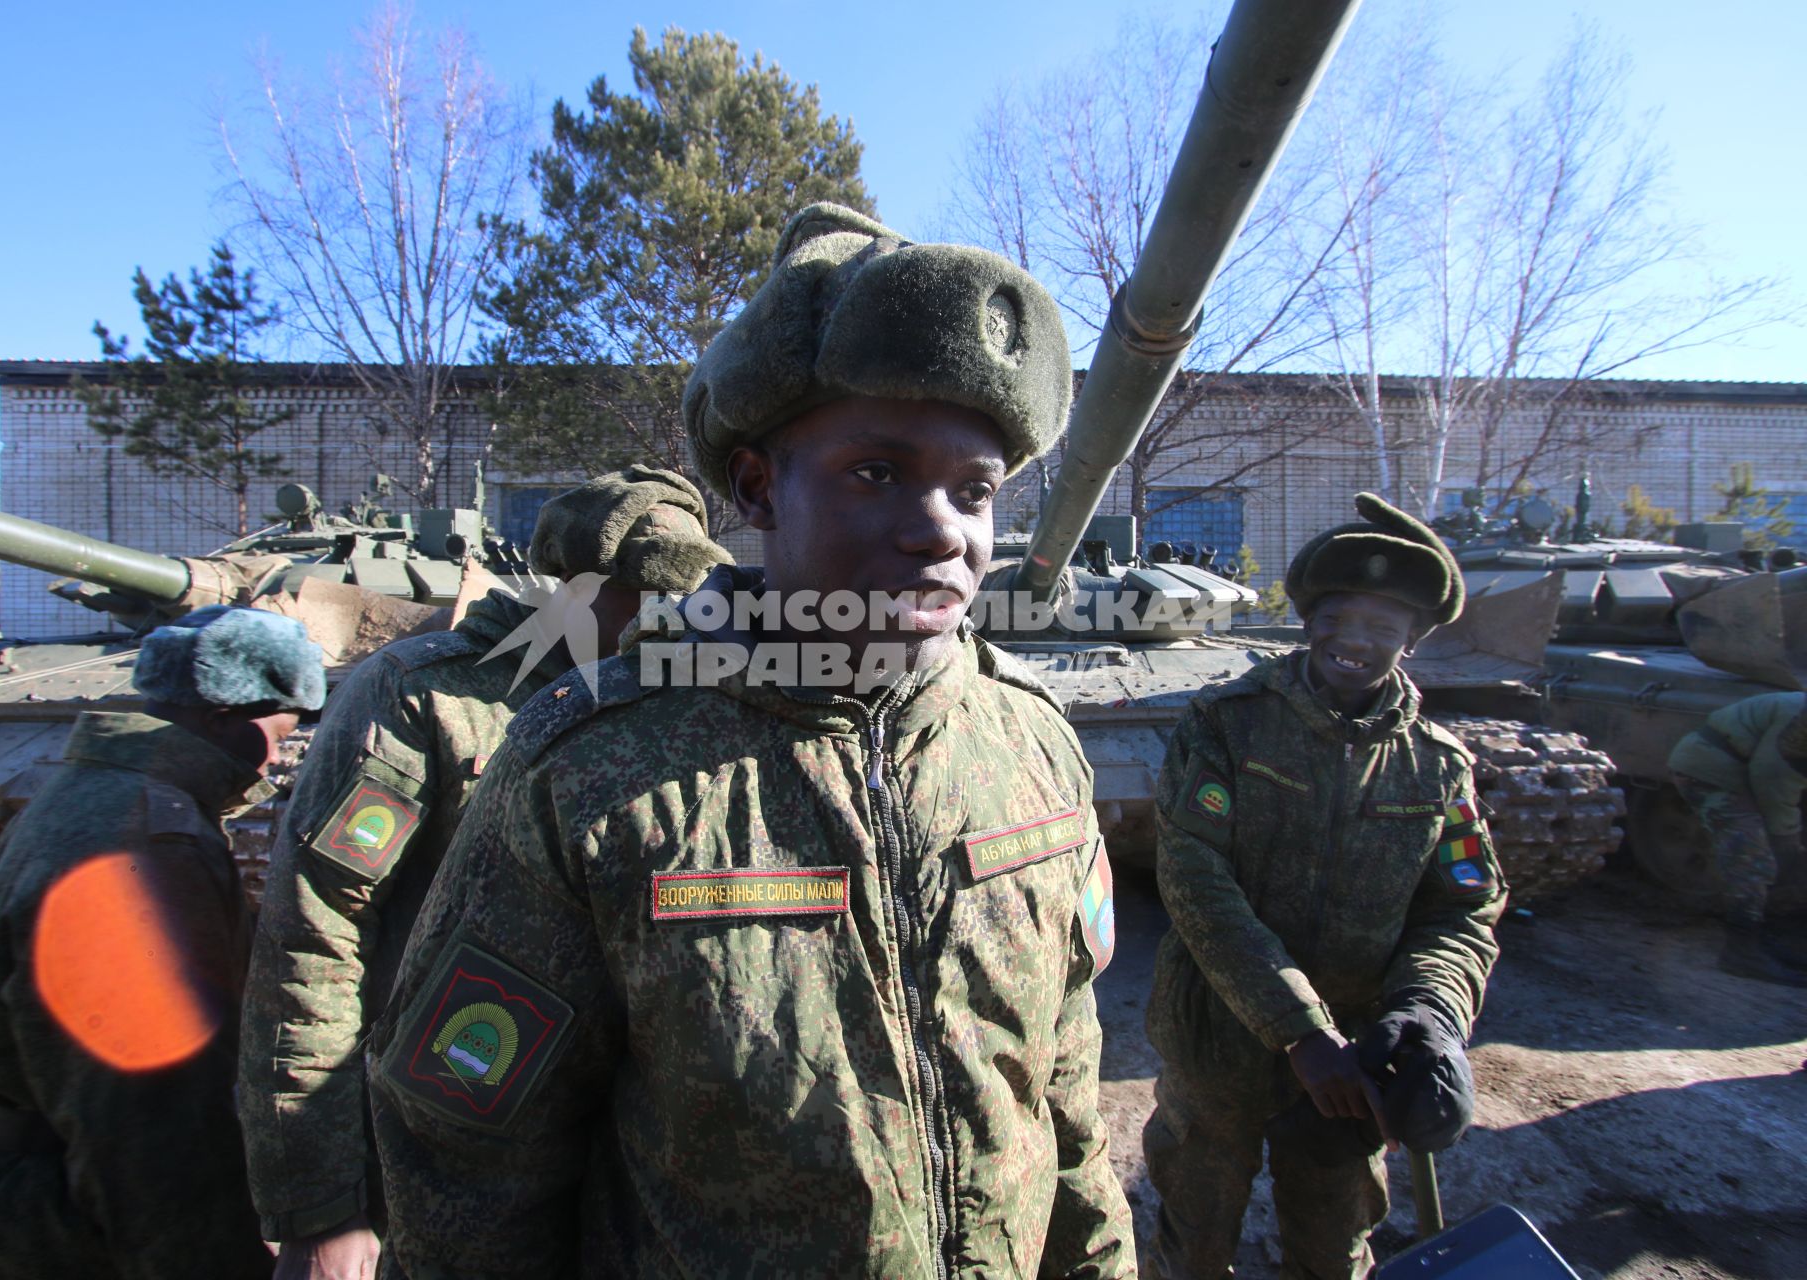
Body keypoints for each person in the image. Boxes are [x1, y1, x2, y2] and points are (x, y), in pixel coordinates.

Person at [365, 203, 1135, 1278]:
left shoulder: (1034, 748)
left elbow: (1064, 1093)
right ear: (758, 485)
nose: (941, 527)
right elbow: (467, 1165)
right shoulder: (590, 775)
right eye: (876, 471)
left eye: (975, 490)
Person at [238, 467, 731, 1280]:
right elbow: (311, 938)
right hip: (441, 1140)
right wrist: (319, 1206)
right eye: (645, 594)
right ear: (575, 589)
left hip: (626, 1150)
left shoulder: (668, 699)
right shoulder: (427, 697)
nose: (670, 619)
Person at [0, 604, 325, 1280]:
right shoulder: (152, 847)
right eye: (275, 732)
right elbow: (153, 1128)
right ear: (222, 717)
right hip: (41, 1226)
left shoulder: (85, 790)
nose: (272, 760)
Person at [1142, 494, 1505, 1280]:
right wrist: (1300, 1031)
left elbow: (1462, 907)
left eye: (1383, 628)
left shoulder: (1437, 765)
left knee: (1333, 1248)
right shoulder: (1226, 725)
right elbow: (1197, 880)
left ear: (1410, 642)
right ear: (1311, 623)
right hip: (1220, 1041)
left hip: (1359, 1056)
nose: (1356, 642)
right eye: (1341, 618)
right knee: (1196, 1240)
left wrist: (1429, 1014)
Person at [1667, 690, 1807, 987]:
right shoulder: (1799, 721)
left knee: (1782, 853)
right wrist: (1786, 839)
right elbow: (1772, 777)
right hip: (1711, 769)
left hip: (1752, 769)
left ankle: (1772, 937)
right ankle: (1741, 951)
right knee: (1753, 858)